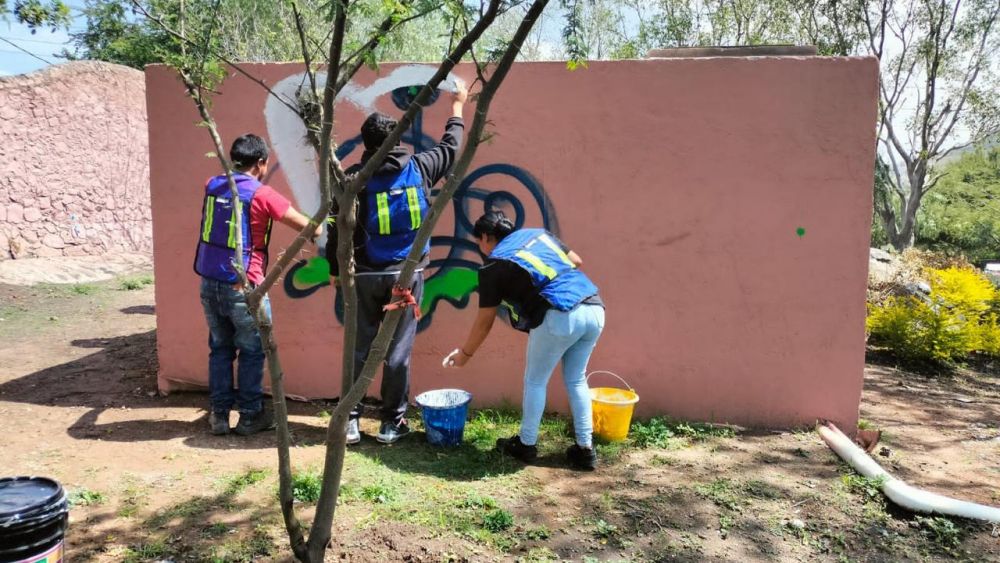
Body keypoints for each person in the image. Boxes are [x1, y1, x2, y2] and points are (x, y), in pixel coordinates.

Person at [326, 80, 468, 444]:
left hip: (364, 275)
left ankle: (352, 421)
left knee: (359, 350)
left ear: (367, 144)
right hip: (406, 277)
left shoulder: (352, 181)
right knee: (398, 352)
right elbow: (451, 148)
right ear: (399, 141)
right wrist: (457, 106)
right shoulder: (419, 168)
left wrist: (334, 272)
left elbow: (336, 229)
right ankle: (392, 424)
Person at [446, 211, 605, 470]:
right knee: (576, 378)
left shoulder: (494, 265)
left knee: (535, 381)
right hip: (594, 307)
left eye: (479, 242)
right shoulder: (538, 234)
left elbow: (485, 319)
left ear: (486, 237)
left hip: (559, 313)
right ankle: (585, 449)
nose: (480, 248)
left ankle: (527, 444)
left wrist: (465, 354)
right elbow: (576, 261)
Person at [195, 134, 321, 436]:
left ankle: (220, 416)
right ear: (261, 163)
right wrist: (326, 231)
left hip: (209, 282)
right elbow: (305, 226)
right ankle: (251, 415)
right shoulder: (262, 194)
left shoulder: (213, 184)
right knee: (253, 350)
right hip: (243, 285)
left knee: (221, 349)